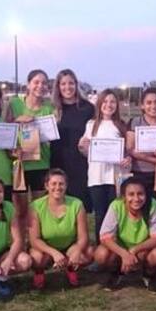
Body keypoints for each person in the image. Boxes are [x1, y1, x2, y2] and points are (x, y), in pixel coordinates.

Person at [94, 176, 156, 293]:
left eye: (140, 194)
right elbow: (105, 237)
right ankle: (115, 273)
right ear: (124, 197)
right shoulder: (116, 206)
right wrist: (124, 254)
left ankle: (149, 275)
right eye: (131, 194)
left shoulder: (153, 205)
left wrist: (134, 250)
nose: (136, 198)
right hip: (120, 249)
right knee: (101, 253)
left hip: (143, 250)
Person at [77, 89, 132, 242]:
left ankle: (117, 248)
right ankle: (101, 248)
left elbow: (127, 153)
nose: (109, 105)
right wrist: (81, 146)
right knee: (100, 214)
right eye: (105, 101)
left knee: (116, 213)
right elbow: (85, 152)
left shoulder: (121, 126)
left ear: (117, 105)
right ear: (100, 104)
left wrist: (127, 160)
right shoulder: (91, 125)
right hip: (97, 177)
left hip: (116, 178)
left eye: (112, 102)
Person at [28, 169, 94, 289]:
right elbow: (34, 240)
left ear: (66, 186)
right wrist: (54, 253)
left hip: (69, 245)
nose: (57, 187)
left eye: (61, 184)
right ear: (46, 186)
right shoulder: (35, 206)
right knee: (36, 258)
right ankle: (39, 272)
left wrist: (77, 250)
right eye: (53, 184)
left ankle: (70, 268)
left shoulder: (77, 204)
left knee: (88, 253)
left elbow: (83, 236)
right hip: (46, 248)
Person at [6, 69, 55, 227]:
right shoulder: (15, 104)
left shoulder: (49, 110)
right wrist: (17, 120)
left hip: (41, 164)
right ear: (28, 84)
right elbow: (5, 130)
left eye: (44, 83)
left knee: (38, 210)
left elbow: (52, 137)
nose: (40, 86)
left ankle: (35, 245)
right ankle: (20, 245)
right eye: (36, 82)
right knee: (19, 211)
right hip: (19, 164)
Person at [50, 69, 95, 210]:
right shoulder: (53, 108)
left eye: (71, 83)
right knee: (60, 207)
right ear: (58, 87)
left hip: (81, 164)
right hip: (58, 163)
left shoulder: (88, 108)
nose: (67, 87)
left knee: (80, 207)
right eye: (63, 84)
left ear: (76, 84)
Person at [128, 87, 156, 212]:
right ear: (142, 106)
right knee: (138, 209)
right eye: (149, 103)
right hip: (139, 173)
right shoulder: (135, 122)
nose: (153, 106)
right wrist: (153, 159)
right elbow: (129, 149)